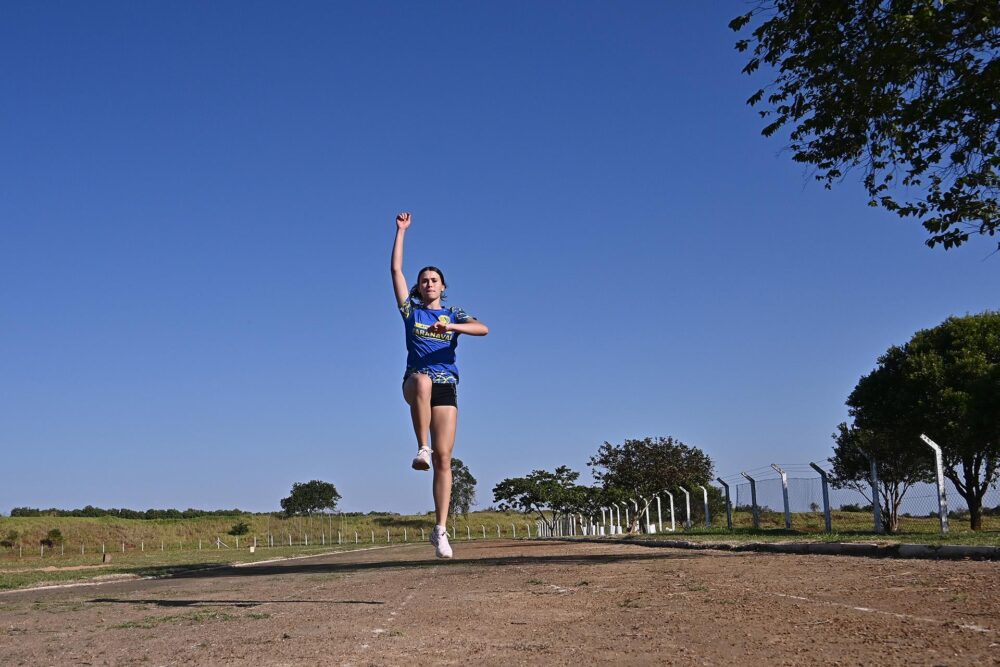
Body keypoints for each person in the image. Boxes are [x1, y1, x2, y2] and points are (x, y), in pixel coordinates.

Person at [390, 212, 489, 558]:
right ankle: (421, 448)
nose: (429, 283)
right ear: (419, 287)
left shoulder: (454, 313)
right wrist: (401, 232)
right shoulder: (411, 313)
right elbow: (395, 272)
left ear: (443, 286)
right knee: (421, 379)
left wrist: (453, 328)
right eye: (424, 280)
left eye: (434, 279)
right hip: (415, 383)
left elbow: (483, 328)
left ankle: (440, 530)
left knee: (446, 459)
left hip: (447, 385)